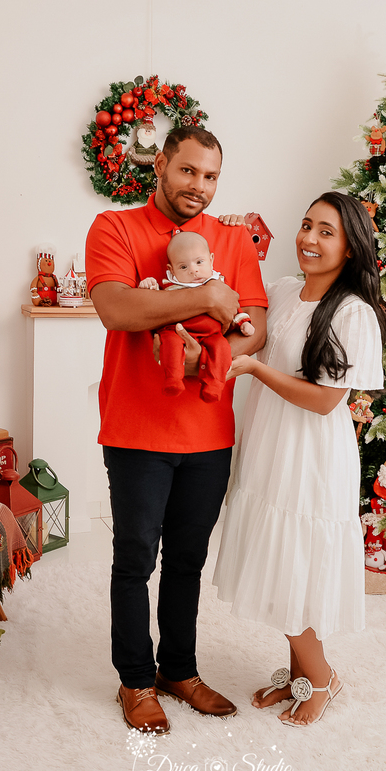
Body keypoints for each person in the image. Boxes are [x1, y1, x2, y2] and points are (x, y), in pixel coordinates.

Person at [85, 126, 268, 735]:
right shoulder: (114, 228)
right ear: (161, 165)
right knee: (134, 558)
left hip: (211, 430)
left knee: (187, 560)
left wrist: (214, 344)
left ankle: (178, 670)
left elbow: (254, 327)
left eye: (211, 176)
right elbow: (117, 309)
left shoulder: (234, 240)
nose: (199, 187)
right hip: (137, 428)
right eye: (188, 171)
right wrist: (208, 299)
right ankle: (135, 680)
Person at [213, 191, 386, 727]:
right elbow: (243, 321)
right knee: (277, 558)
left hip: (311, 454)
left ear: (351, 248)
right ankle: (297, 677)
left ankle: (324, 676)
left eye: (326, 231)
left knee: (295, 564)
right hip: (271, 444)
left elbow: (327, 398)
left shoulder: (353, 313)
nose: (309, 239)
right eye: (307, 225)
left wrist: (258, 371)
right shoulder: (285, 290)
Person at [139, 230, 255, 401]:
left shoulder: (218, 285)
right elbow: (156, 302)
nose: (194, 271)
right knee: (169, 343)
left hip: (211, 334)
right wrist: (148, 285)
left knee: (222, 349)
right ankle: (173, 379)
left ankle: (215, 384)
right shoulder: (171, 285)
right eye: (183, 267)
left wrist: (243, 323)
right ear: (171, 269)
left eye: (199, 262)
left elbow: (233, 308)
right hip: (176, 330)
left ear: (211, 260)